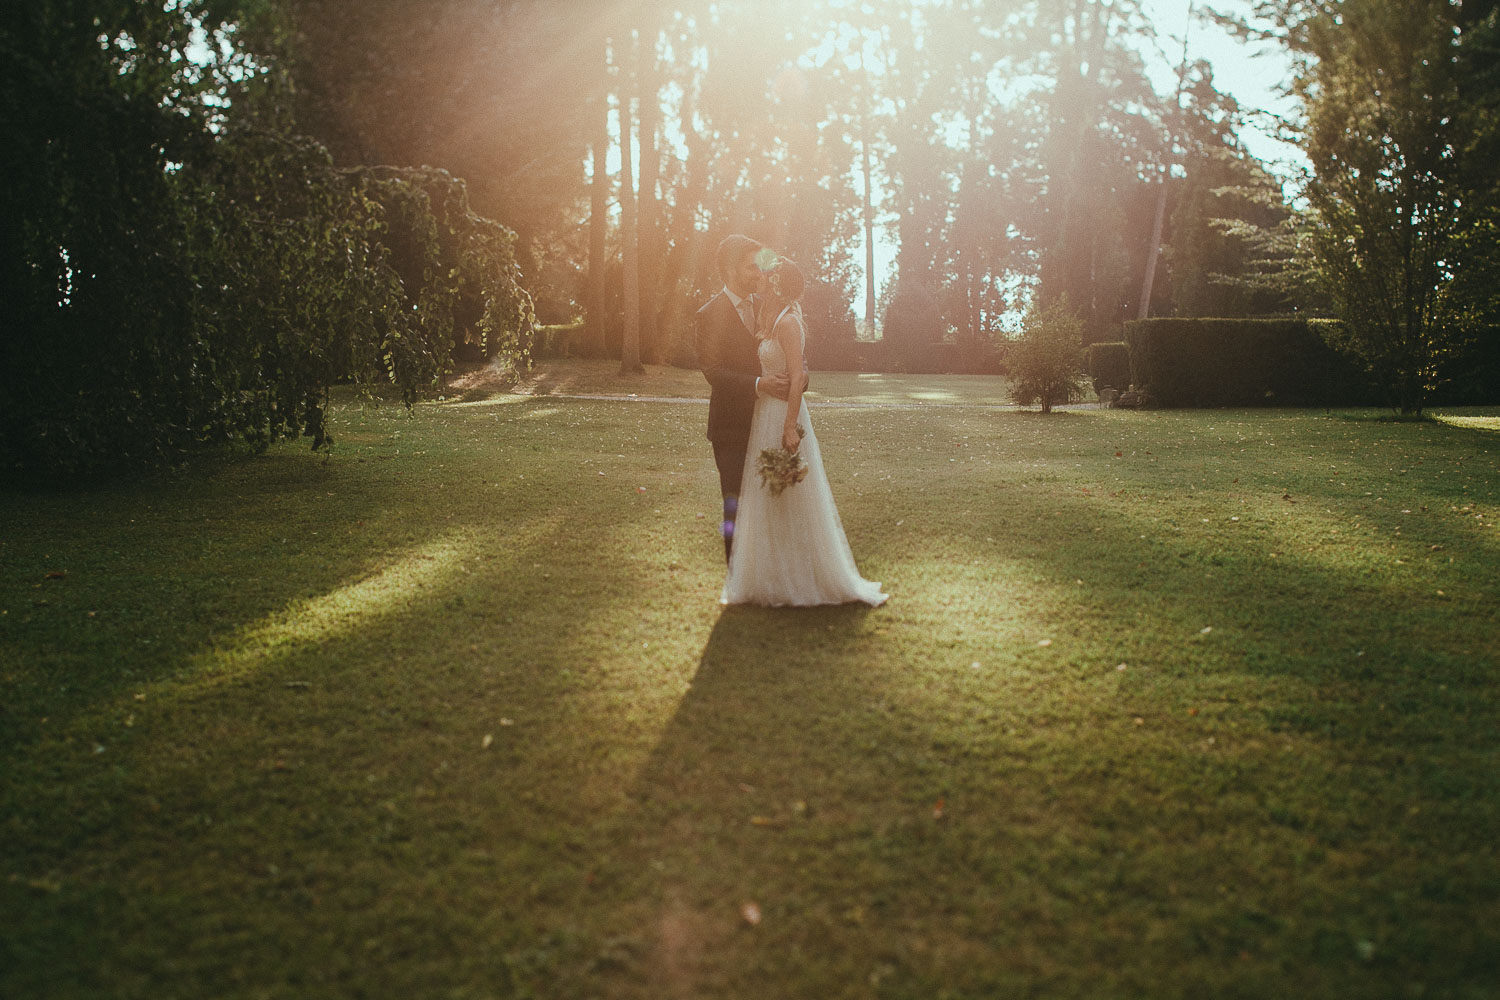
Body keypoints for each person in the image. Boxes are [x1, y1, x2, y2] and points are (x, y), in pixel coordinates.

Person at [719, 252, 887, 607]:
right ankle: (770, 575)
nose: (761, 279)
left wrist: (789, 426)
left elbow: (798, 376)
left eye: (768, 276)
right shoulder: (774, 318)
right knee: (768, 494)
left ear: (778, 285)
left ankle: (797, 577)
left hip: (782, 414)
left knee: (788, 495)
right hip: (765, 413)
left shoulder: (788, 323)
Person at [695, 235, 800, 562]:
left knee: (773, 500)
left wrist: (798, 379)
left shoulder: (768, 307)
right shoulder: (708, 314)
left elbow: (789, 356)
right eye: (751, 267)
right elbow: (713, 370)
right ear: (729, 269)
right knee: (735, 502)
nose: (760, 274)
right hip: (731, 428)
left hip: (770, 420)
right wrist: (759, 383)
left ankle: (769, 573)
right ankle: (736, 580)